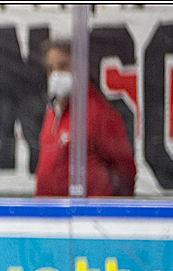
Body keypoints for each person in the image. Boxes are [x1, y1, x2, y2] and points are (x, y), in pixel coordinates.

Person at [34, 39, 137, 197]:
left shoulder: (99, 113)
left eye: (62, 66)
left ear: (82, 68)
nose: (55, 75)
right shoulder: (53, 111)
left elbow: (125, 170)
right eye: (50, 69)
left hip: (86, 216)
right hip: (48, 215)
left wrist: (113, 214)